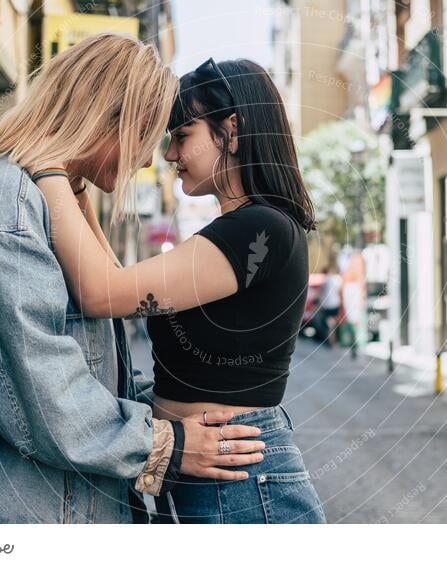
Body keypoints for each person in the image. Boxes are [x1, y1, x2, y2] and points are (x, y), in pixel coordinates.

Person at [0, 35, 263, 524]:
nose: (145, 161)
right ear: (107, 117)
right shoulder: (11, 206)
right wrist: (165, 445)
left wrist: (170, 417)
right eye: (146, 136)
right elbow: (43, 397)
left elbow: (94, 373)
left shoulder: (49, 201)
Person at [30, 57, 326, 523]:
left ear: (232, 129)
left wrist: (46, 166)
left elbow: (101, 294)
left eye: (181, 135)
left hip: (241, 484)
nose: (169, 154)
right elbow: (117, 285)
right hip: (208, 474)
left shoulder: (257, 229)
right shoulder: (240, 228)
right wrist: (77, 188)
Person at [318, 266, 343, 347]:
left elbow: (321, 295)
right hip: (335, 304)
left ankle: (331, 341)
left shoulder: (325, 281)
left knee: (330, 324)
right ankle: (333, 341)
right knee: (333, 324)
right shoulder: (337, 279)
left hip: (327, 305)